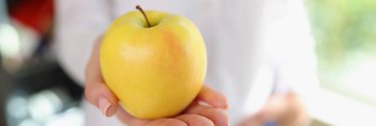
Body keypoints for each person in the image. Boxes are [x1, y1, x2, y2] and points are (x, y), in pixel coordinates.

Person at [55, 0, 318, 125]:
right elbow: (77, 26)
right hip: (125, 119)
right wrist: (98, 54)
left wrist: (292, 103)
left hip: (250, 118)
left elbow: (288, 27)